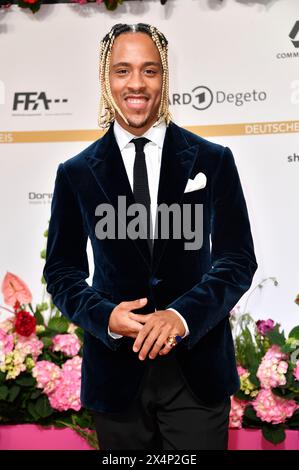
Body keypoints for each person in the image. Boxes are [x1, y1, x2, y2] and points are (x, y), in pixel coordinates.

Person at [43, 23, 258, 450]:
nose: (136, 84)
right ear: (106, 79)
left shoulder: (213, 160)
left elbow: (237, 261)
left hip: (197, 374)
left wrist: (179, 316)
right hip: (116, 378)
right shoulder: (76, 172)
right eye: (123, 71)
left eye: (150, 70)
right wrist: (105, 317)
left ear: (165, 78)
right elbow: (62, 272)